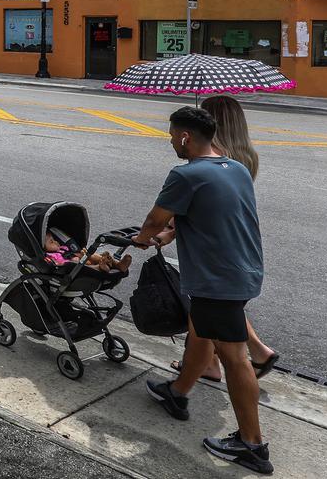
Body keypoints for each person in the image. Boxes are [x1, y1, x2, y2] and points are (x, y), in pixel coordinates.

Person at [132, 106, 273, 475]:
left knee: (234, 358)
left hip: (216, 279)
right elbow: (211, 212)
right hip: (243, 270)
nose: (170, 142)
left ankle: (252, 444)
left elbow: (154, 219)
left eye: (171, 136)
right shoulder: (235, 168)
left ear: (184, 137)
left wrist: (144, 238)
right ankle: (177, 393)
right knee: (200, 332)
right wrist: (170, 233)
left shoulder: (186, 174)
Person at [167, 95, 279, 382]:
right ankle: (255, 352)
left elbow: (200, 206)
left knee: (206, 317)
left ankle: (200, 372)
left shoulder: (216, 160)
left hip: (212, 252)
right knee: (218, 311)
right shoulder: (244, 157)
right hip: (238, 248)